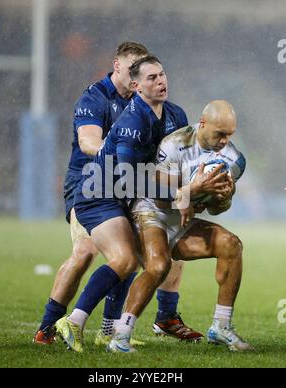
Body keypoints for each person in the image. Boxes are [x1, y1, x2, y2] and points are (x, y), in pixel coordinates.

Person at [55, 55, 205, 352]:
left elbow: (182, 163)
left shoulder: (175, 115)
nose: (161, 81)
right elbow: (127, 180)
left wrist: (204, 181)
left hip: (128, 195)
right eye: (152, 78)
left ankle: (110, 329)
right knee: (125, 259)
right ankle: (71, 321)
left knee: (138, 257)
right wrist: (181, 193)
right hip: (98, 194)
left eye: (162, 74)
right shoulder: (131, 121)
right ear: (136, 87)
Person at [109, 100, 252, 352]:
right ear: (203, 123)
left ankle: (221, 326)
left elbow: (216, 209)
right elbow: (162, 200)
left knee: (232, 245)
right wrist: (194, 189)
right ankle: (121, 335)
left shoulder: (234, 160)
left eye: (229, 135)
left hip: (182, 221)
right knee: (159, 265)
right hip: (152, 212)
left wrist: (224, 197)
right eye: (220, 133)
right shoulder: (174, 144)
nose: (224, 141)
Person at [34, 42, 150, 346]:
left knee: (129, 255)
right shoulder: (94, 97)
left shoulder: (139, 101)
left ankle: (108, 332)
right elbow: (88, 141)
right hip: (86, 184)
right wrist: (121, 154)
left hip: (119, 186)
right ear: (117, 64)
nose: (137, 75)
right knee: (85, 252)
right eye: (132, 68)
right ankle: (47, 327)